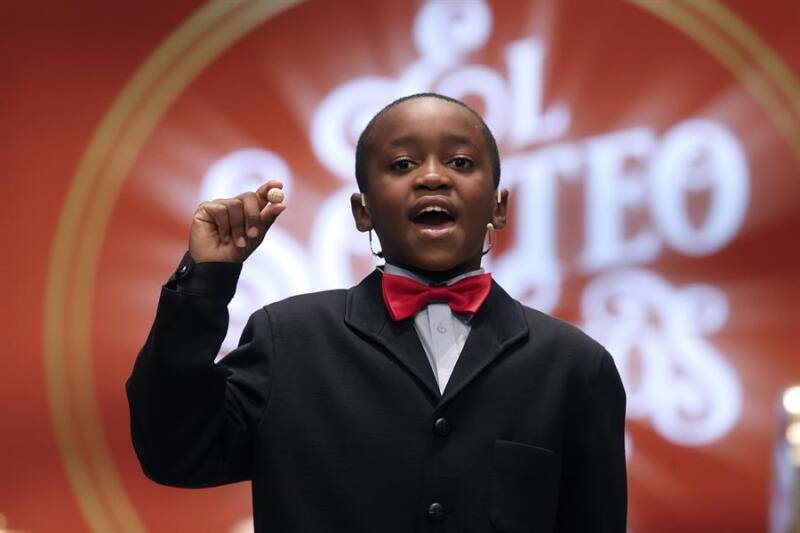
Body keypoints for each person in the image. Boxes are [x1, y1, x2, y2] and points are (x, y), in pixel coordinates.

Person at [126, 93, 627, 532]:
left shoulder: (576, 367)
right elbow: (175, 453)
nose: (432, 177)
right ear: (362, 211)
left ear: (499, 206)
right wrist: (206, 280)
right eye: (403, 164)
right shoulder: (288, 340)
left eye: (459, 161)